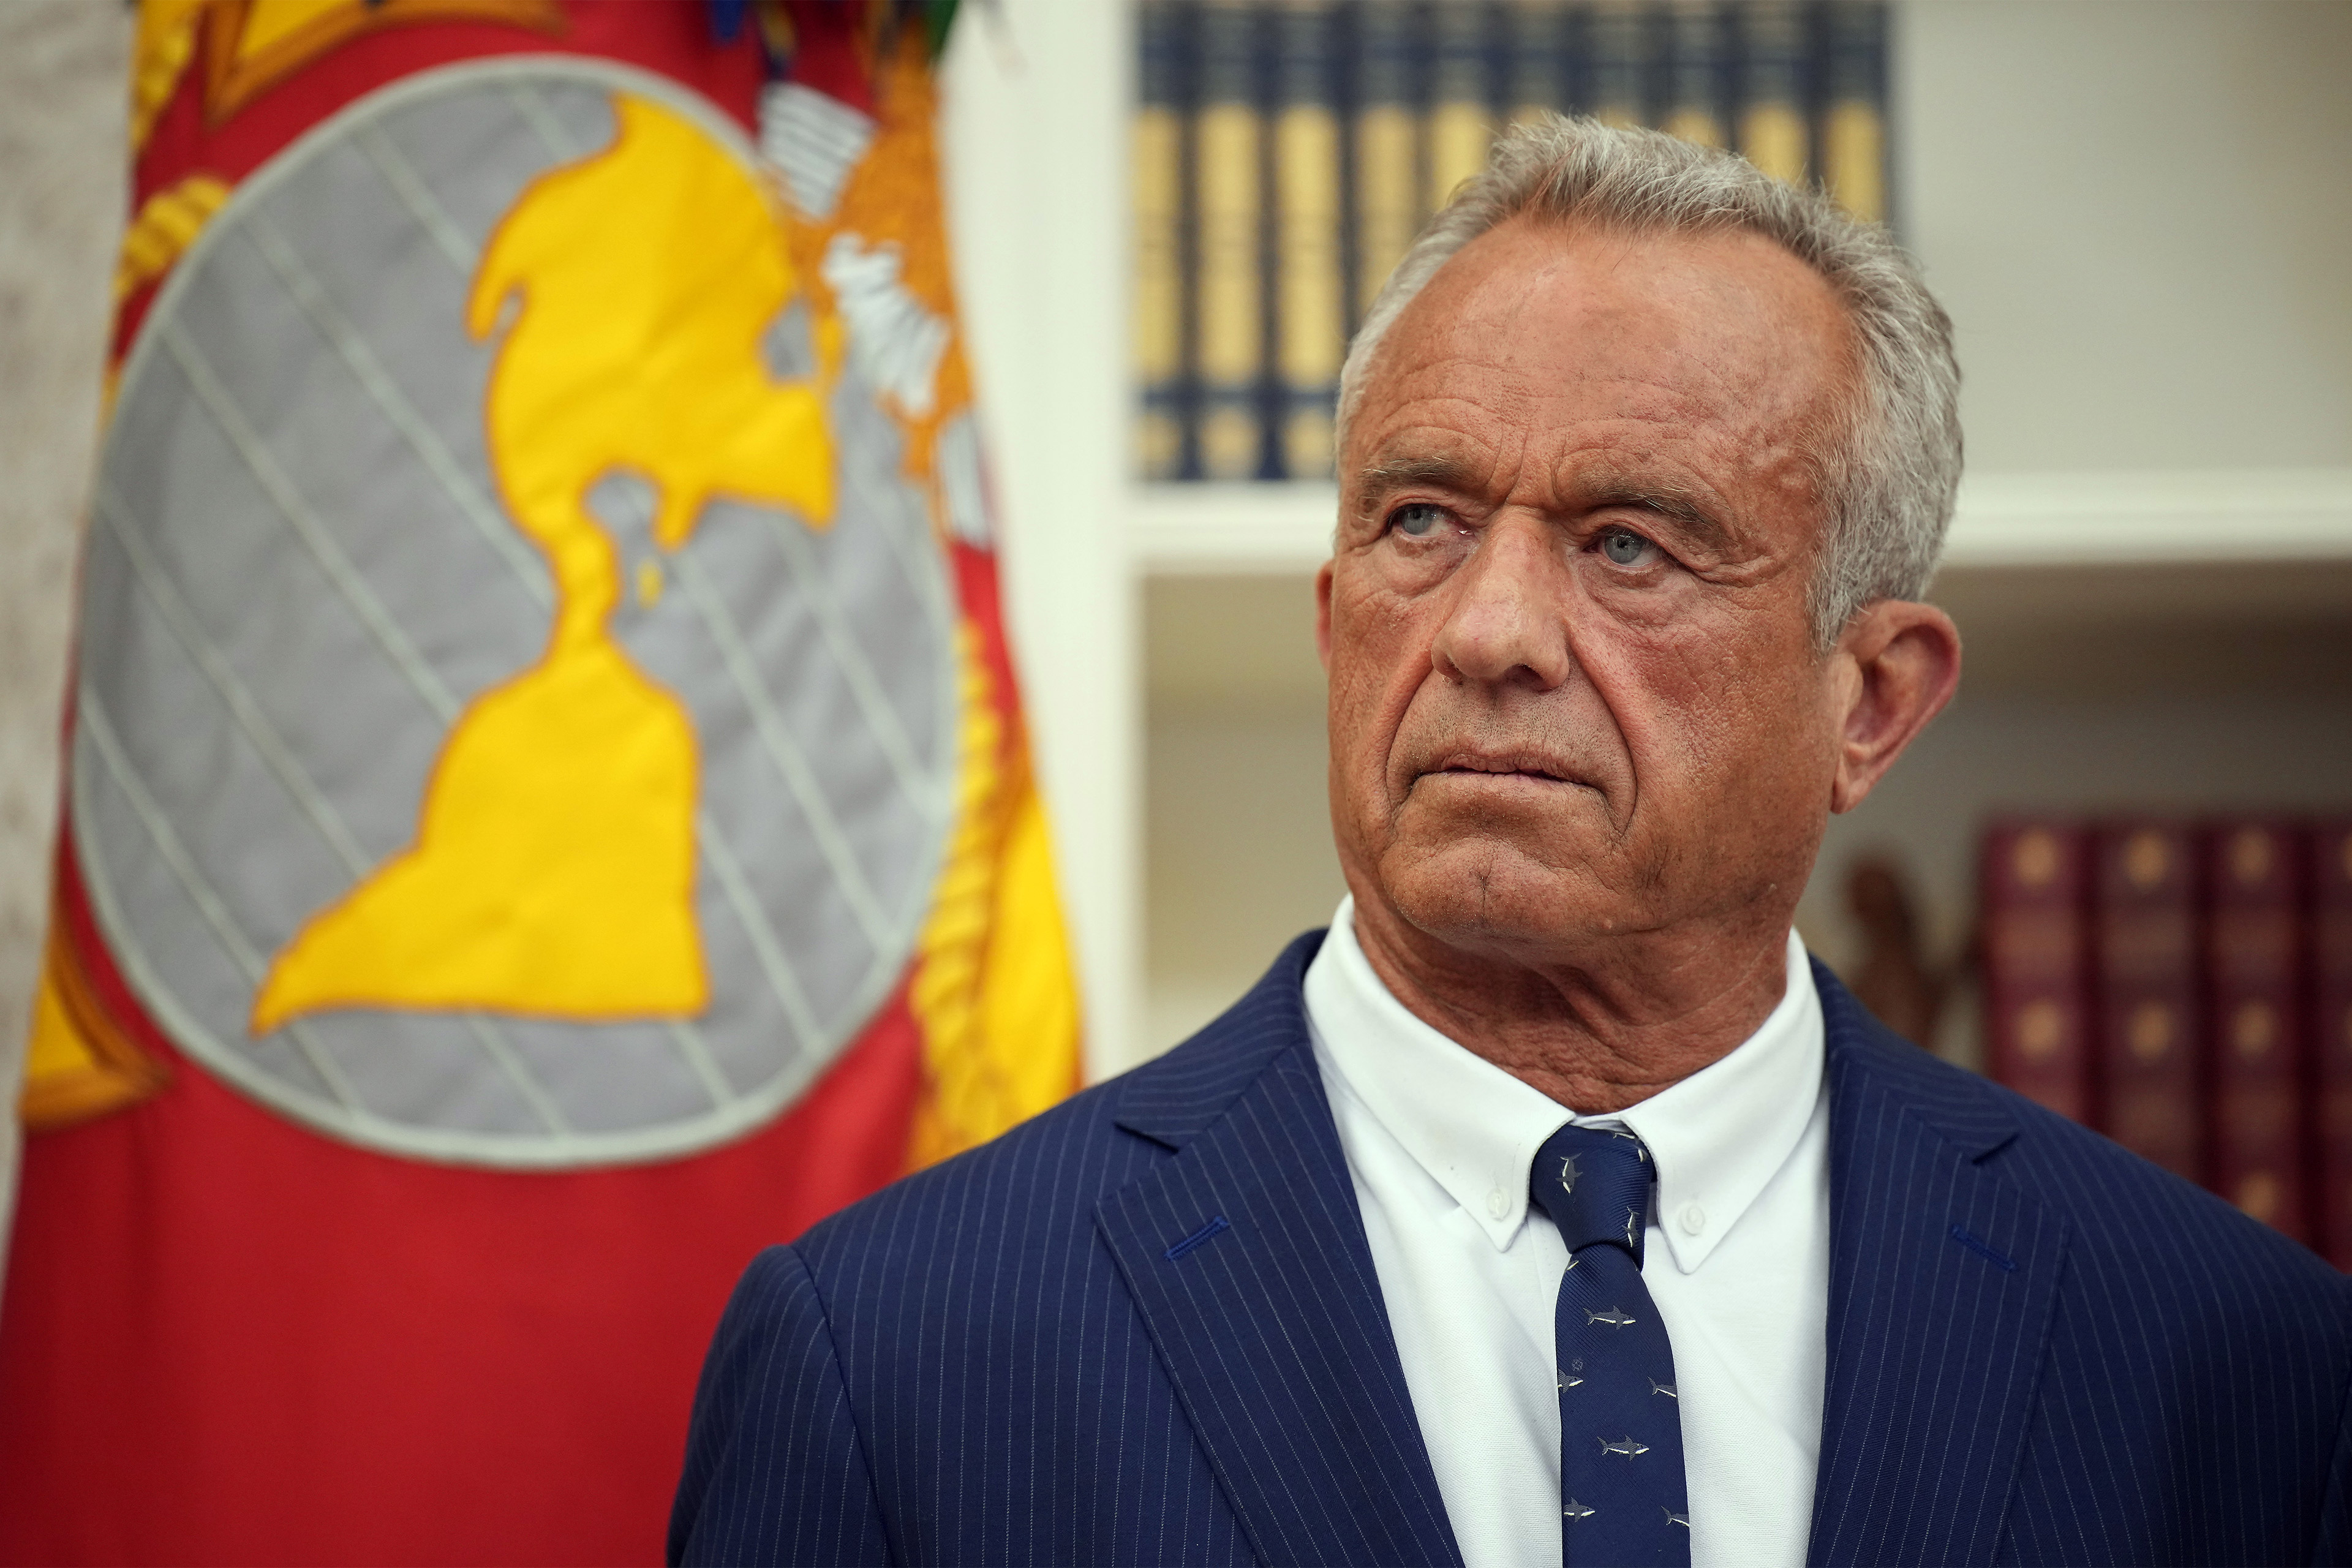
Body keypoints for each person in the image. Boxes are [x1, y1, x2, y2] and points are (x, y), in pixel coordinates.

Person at [669, 118, 2351, 1568]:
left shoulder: (2234, 1368)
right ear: (1336, 628)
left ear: (1872, 701)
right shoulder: (893, 1355)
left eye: (1630, 546)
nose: (1489, 631)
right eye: (1422, 521)